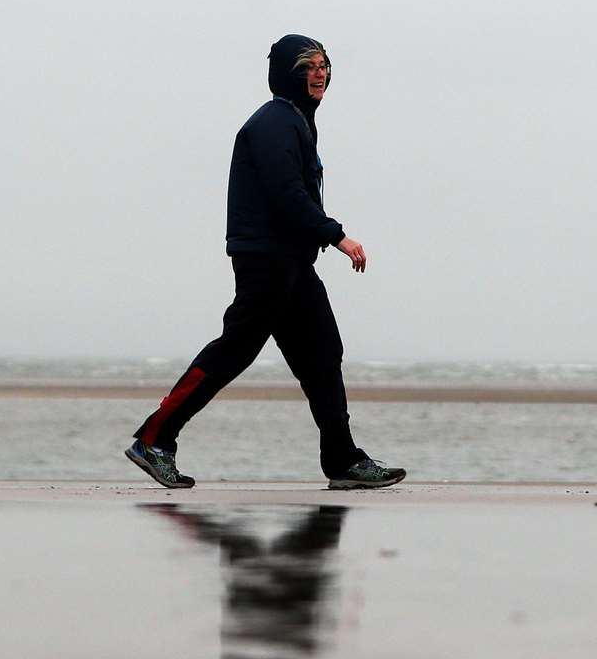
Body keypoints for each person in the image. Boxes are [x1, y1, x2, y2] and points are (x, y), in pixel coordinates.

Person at [126, 34, 405, 490]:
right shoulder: (274, 123)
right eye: (309, 65)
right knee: (233, 351)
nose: (321, 73)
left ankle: (342, 459)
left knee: (322, 354)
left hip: (292, 264)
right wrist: (337, 236)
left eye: (325, 65)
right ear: (286, 73)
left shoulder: (295, 121)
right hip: (268, 263)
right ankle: (154, 439)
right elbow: (285, 194)